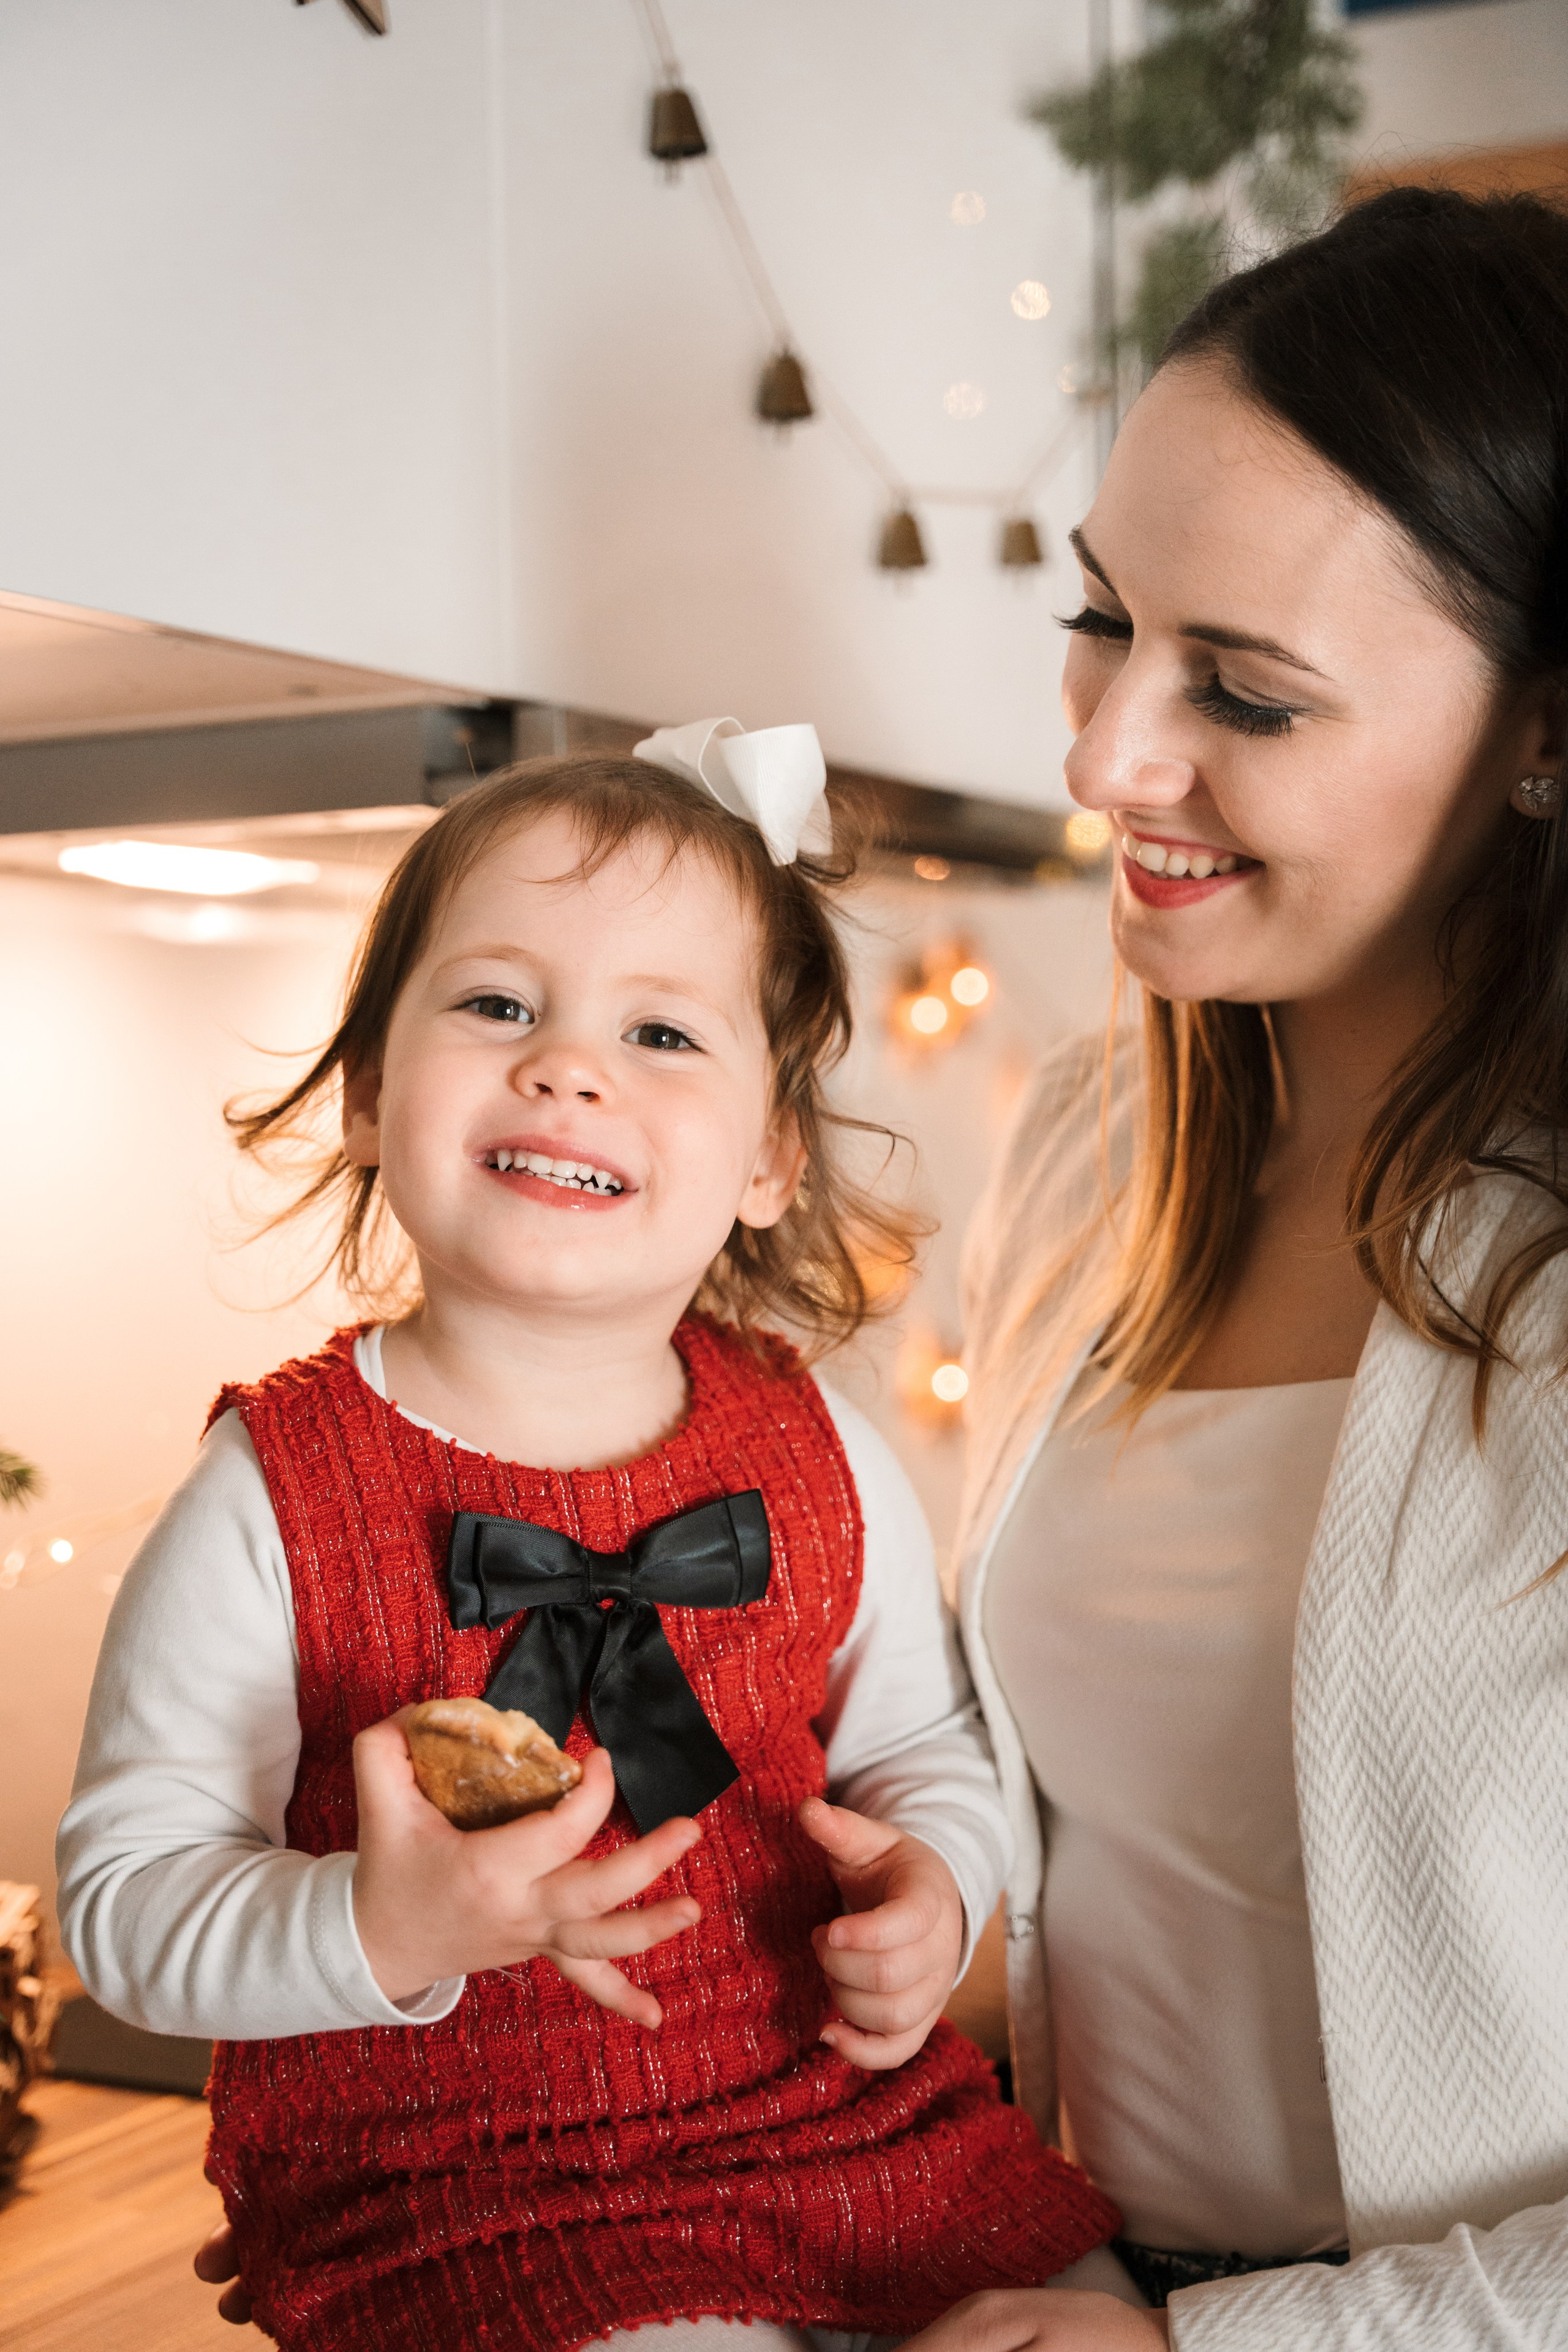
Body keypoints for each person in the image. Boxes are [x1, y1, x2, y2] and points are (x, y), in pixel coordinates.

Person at [56, 731, 1116, 2351]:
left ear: (769, 1159)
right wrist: (379, 1927)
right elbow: (128, 1905)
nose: (568, 1067)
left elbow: (927, 1752)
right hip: (471, 2193)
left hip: (848, 2129)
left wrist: (939, 1889)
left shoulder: (823, 1446)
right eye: (498, 1006)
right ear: (365, 1093)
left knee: (1084, 2327)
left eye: (661, 1032)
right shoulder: (273, 1488)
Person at [900, 187, 1568, 2351]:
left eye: (1248, 695)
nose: (1104, 756)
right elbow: (1102, 1890)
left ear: (1546, 733)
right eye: (1102, 619)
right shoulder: (1090, 1152)